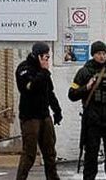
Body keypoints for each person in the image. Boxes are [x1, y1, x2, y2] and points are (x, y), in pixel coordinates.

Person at [67, 41, 106, 180]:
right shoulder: (84, 71)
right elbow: (71, 94)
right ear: (93, 55)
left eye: (104, 53)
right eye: (98, 53)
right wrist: (86, 87)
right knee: (91, 157)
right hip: (93, 121)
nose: (102, 56)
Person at [15, 42, 63, 180]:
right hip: (30, 116)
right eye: (45, 56)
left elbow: (49, 92)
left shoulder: (45, 72)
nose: (47, 59)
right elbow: (30, 88)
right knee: (29, 153)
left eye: (48, 56)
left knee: (50, 152)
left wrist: (57, 111)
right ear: (38, 56)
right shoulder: (24, 69)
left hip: (44, 115)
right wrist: (43, 71)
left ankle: (53, 178)